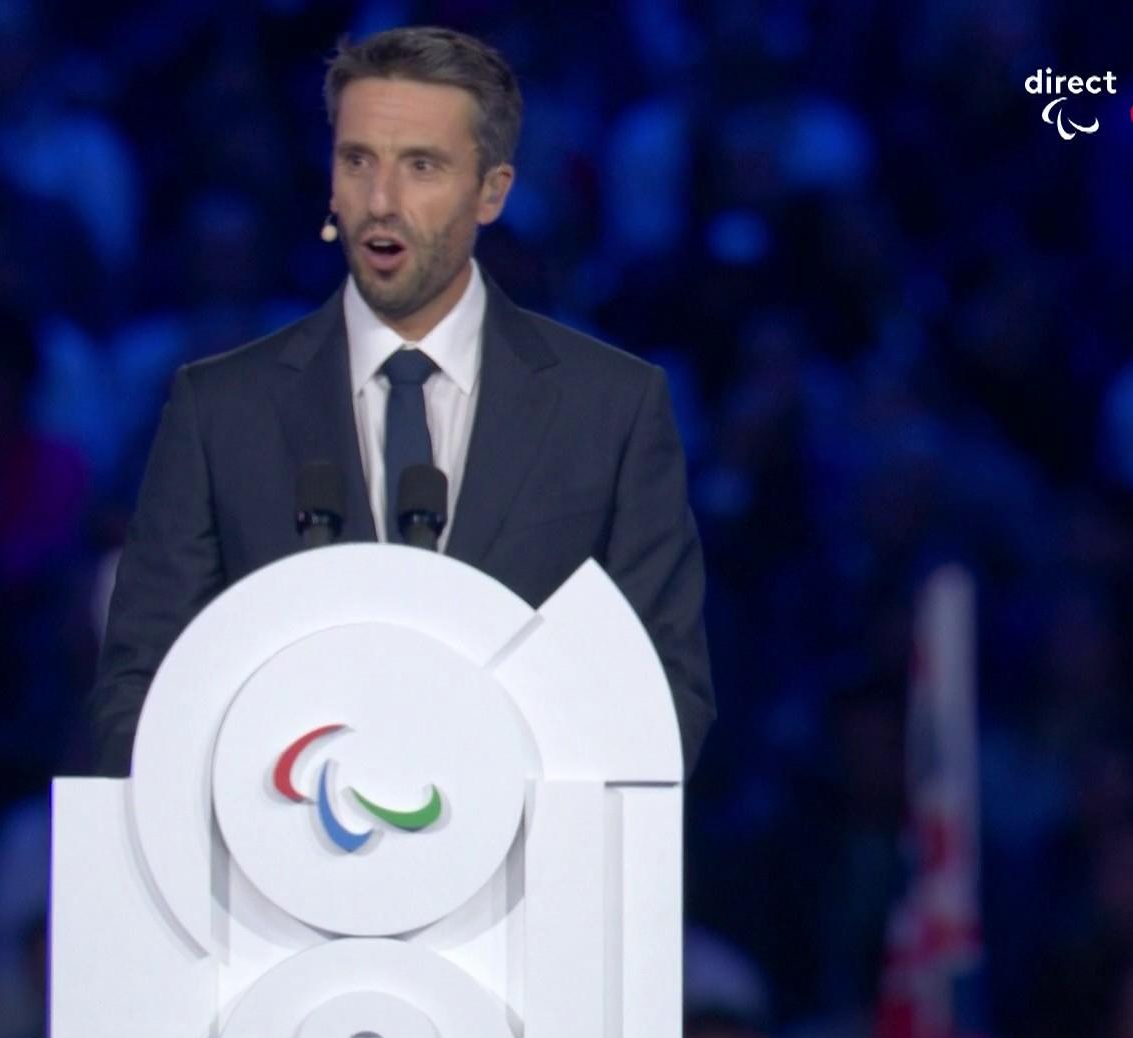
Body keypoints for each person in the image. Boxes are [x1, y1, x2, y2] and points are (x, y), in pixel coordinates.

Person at [88, 25, 715, 777]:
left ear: (491, 191)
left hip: (535, 877)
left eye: (421, 166)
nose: (382, 201)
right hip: (274, 872)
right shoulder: (219, 411)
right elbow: (141, 692)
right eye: (359, 162)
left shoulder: (610, 409)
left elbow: (663, 694)